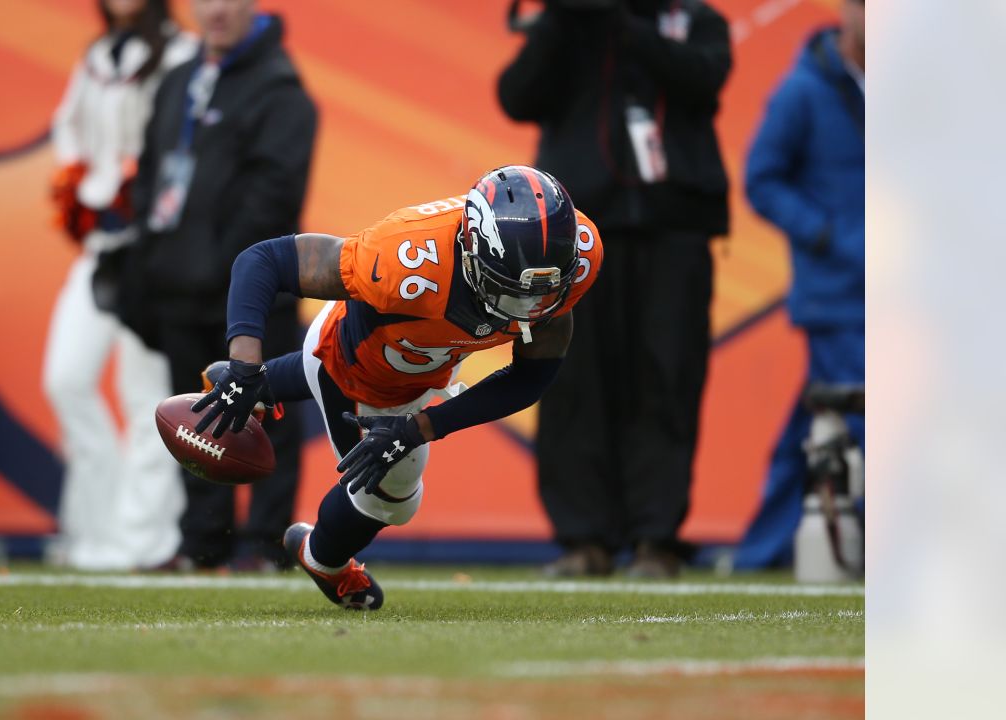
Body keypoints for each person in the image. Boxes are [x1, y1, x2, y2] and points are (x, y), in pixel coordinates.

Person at [191, 165, 604, 608]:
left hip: (429, 363)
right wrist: (243, 364)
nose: (526, 308)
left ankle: (269, 384)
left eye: (543, 293)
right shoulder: (403, 257)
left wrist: (418, 428)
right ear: (471, 250)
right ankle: (322, 560)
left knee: (411, 410)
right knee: (394, 498)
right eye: (509, 290)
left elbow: (531, 377)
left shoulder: (577, 256)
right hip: (350, 363)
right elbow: (264, 260)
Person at [498, 0, 732, 578]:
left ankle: (655, 540)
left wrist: (625, 27)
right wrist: (561, 22)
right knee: (572, 381)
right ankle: (584, 541)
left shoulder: (695, 21)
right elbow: (516, 97)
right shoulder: (565, 23)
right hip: (574, 237)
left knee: (666, 377)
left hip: (673, 231)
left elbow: (704, 80)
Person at [117, 0, 316, 570]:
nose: (216, 9)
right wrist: (151, 263)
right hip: (179, 286)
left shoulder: (282, 90)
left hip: (254, 293)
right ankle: (202, 546)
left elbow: (272, 197)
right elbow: (152, 177)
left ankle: (266, 546)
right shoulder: (178, 80)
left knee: (268, 412)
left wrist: (222, 266)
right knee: (197, 419)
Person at [43, 0, 197, 571]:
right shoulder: (96, 56)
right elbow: (68, 130)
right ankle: (96, 527)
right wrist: (78, 182)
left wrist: (142, 188)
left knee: (146, 398)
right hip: (101, 247)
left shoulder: (180, 53)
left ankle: (142, 541)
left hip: (153, 251)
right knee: (66, 379)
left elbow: (183, 148)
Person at [733, 0, 865, 569]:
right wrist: (828, 235)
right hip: (840, 293)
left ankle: (762, 553)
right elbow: (761, 180)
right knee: (867, 414)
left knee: (817, 423)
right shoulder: (802, 91)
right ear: (848, 10)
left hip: (903, 290)